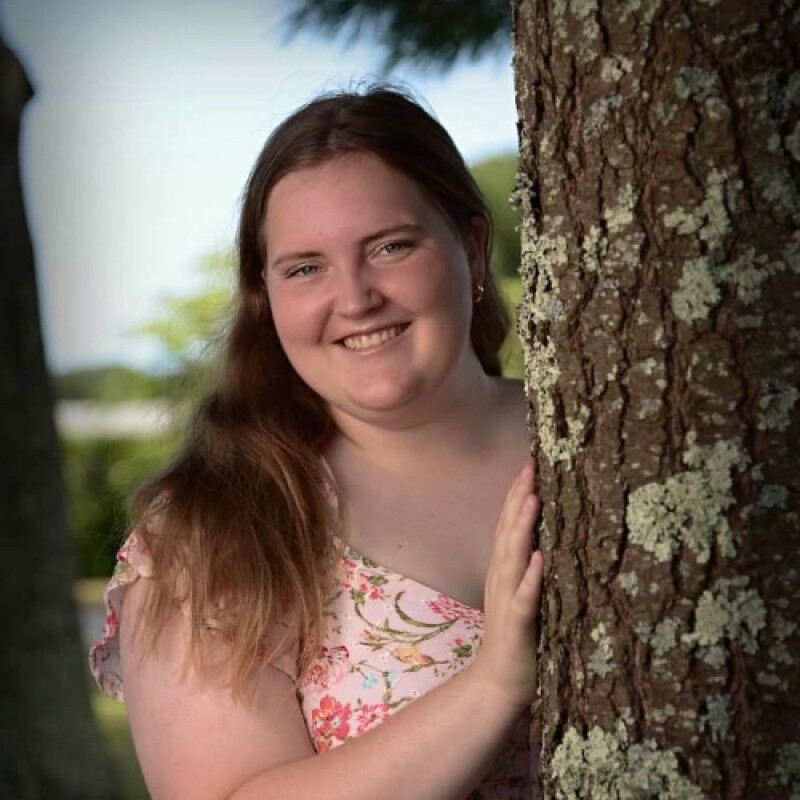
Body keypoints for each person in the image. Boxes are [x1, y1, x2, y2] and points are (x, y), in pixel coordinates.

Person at [90, 84, 544, 800]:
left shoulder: (601, 439)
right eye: (306, 268)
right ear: (266, 295)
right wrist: (490, 687)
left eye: (391, 247)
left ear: (473, 245)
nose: (356, 298)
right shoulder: (210, 534)